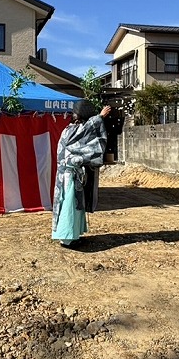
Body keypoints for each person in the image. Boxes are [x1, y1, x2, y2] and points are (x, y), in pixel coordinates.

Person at [52, 101, 111, 248]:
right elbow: (87, 129)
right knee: (69, 206)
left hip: (71, 174)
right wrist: (100, 117)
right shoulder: (72, 131)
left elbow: (85, 131)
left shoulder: (69, 129)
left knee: (75, 206)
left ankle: (73, 236)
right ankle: (66, 238)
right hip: (68, 176)